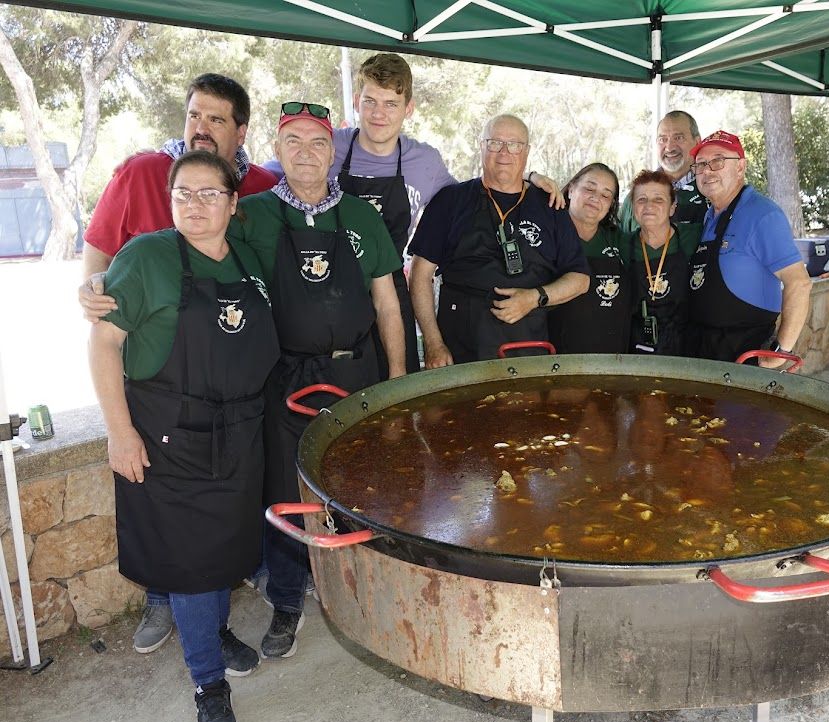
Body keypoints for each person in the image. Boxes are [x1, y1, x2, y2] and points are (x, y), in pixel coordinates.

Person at [79, 73, 277, 660]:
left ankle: (213, 634)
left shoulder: (250, 256)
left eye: (210, 194)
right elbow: (103, 343)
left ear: (235, 201)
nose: (196, 204)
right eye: (183, 194)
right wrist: (120, 433)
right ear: (168, 199)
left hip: (238, 441)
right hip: (168, 441)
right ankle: (206, 684)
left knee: (219, 555)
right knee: (189, 562)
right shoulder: (145, 256)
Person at [229, 102, 404, 660]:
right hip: (284, 376)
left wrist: (398, 376)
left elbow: (386, 300)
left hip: (357, 372)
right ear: (277, 151)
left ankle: (369, 592)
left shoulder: (360, 215)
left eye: (318, 143)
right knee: (287, 490)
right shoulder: (250, 214)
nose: (307, 153)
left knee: (365, 485)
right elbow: (196, 249)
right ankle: (286, 602)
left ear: (334, 151)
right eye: (294, 142)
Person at [268, 53, 563, 374]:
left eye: (391, 104)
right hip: (324, 285)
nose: (379, 114)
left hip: (389, 286)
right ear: (356, 102)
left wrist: (529, 178)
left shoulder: (425, 162)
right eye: (370, 101)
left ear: (408, 108)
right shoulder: (328, 145)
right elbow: (273, 174)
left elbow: (476, 194)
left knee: (397, 385)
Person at [409, 114, 589, 366]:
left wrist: (534, 298)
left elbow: (580, 280)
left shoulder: (550, 206)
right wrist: (433, 343)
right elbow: (420, 274)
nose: (504, 152)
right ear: (481, 146)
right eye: (494, 143)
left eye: (514, 145)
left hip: (529, 347)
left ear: (526, 152)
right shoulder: (450, 200)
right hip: (459, 348)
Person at [82, 73, 277, 284]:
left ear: (241, 134)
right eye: (194, 116)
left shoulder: (265, 188)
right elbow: (98, 251)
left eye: (215, 120)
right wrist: (97, 303)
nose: (201, 129)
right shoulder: (140, 172)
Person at [684, 130, 811, 366]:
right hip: (705, 350)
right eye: (700, 164)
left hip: (744, 355)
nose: (707, 170)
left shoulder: (763, 215)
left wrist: (779, 352)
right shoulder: (709, 217)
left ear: (741, 167)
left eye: (718, 161)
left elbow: (799, 283)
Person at [546, 163, 632, 354]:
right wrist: (534, 176)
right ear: (571, 189)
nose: (595, 198)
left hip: (611, 362)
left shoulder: (619, 240)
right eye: (589, 188)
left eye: (605, 195)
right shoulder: (547, 235)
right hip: (555, 361)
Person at [627, 170, 702, 356]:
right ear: (633, 206)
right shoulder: (621, 243)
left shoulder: (694, 236)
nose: (649, 206)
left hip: (686, 348)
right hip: (638, 348)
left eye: (658, 199)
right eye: (641, 199)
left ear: (672, 207)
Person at [618, 110, 707, 233]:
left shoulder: (711, 190)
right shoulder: (637, 194)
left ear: (697, 142)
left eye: (678, 138)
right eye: (662, 139)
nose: (669, 147)